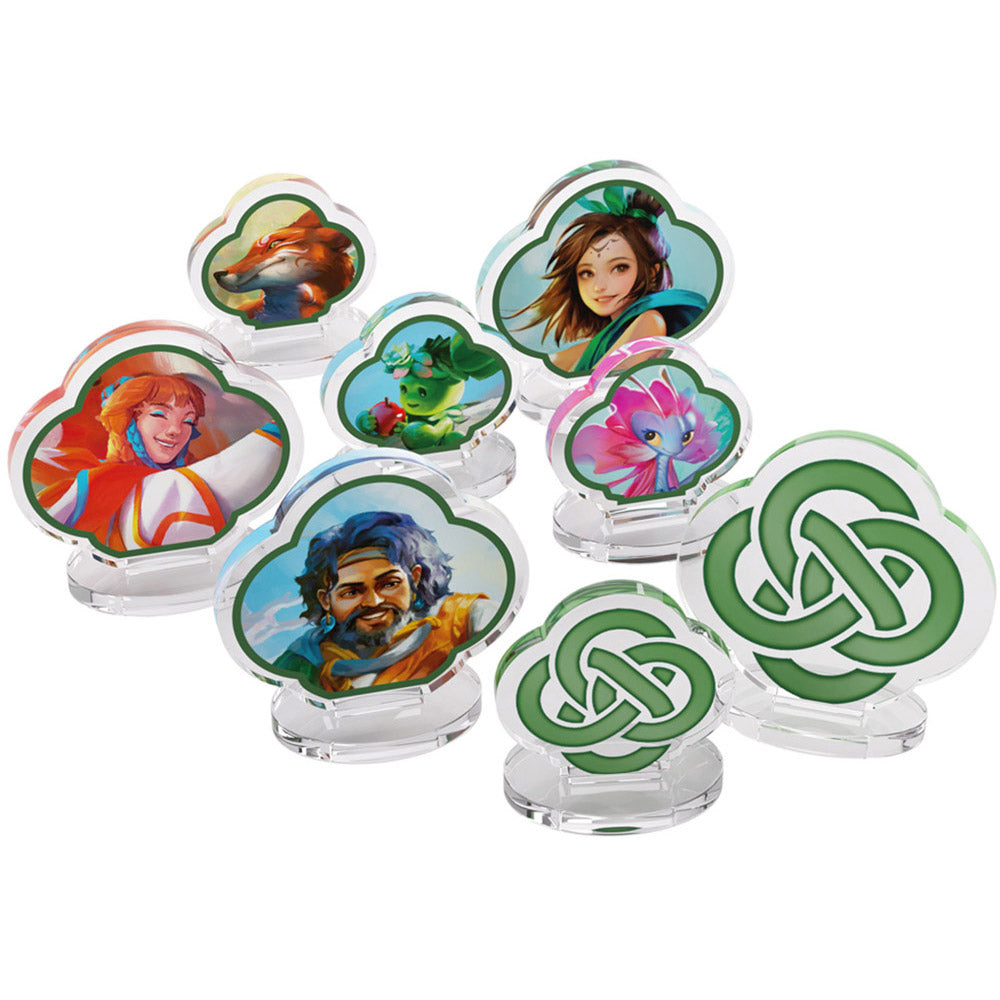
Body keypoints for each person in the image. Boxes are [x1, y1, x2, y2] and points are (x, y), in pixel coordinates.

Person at [35, 373, 283, 551]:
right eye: (158, 414)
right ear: (128, 418)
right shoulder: (98, 480)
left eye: (188, 421)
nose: (176, 430)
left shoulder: (185, 472)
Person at [273, 511, 497, 693]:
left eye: (389, 584)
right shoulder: (302, 662)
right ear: (325, 600)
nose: (373, 602)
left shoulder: (464, 619)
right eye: (352, 592)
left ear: (414, 578)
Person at [510, 187, 709, 374]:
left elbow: (600, 386)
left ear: (652, 272)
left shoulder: (649, 321)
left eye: (619, 268)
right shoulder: (599, 343)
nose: (599, 286)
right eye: (586, 273)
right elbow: (549, 369)